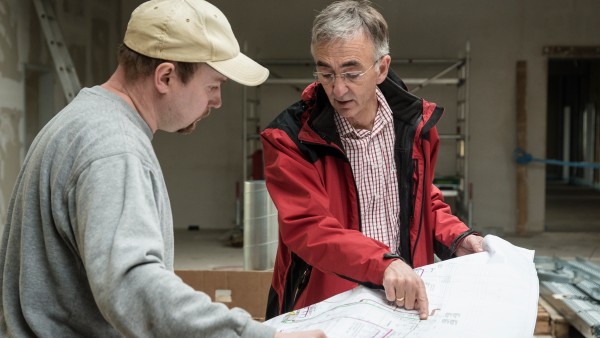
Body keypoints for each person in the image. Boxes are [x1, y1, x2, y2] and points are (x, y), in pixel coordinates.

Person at [0, 0, 324, 337]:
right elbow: (132, 284)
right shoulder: (114, 148)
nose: (217, 101)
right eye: (213, 86)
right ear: (166, 76)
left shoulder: (82, 120)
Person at [261, 0, 484, 321]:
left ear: (381, 68)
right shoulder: (290, 138)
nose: (338, 88)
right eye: (326, 72)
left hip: (402, 301)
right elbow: (309, 228)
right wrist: (383, 263)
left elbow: (423, 203)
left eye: (351, 72)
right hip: (325, 307)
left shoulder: (413, 127)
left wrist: (458, 239)